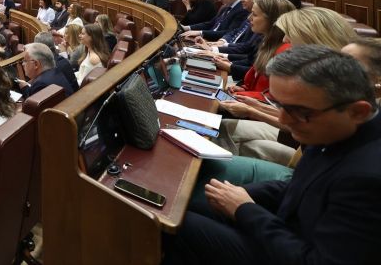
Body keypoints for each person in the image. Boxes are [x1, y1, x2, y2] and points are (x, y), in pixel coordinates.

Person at [162, 46, 381, 265]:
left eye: (298, 112)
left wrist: (245, 209)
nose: (283, 121)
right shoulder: (329, 126)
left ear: (357, 112)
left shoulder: (368, 179)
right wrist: (241, 194)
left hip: (291, 251)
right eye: (280, 105)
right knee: (181, 204)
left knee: (173, 225)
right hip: (282, 230)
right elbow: (301, 188)